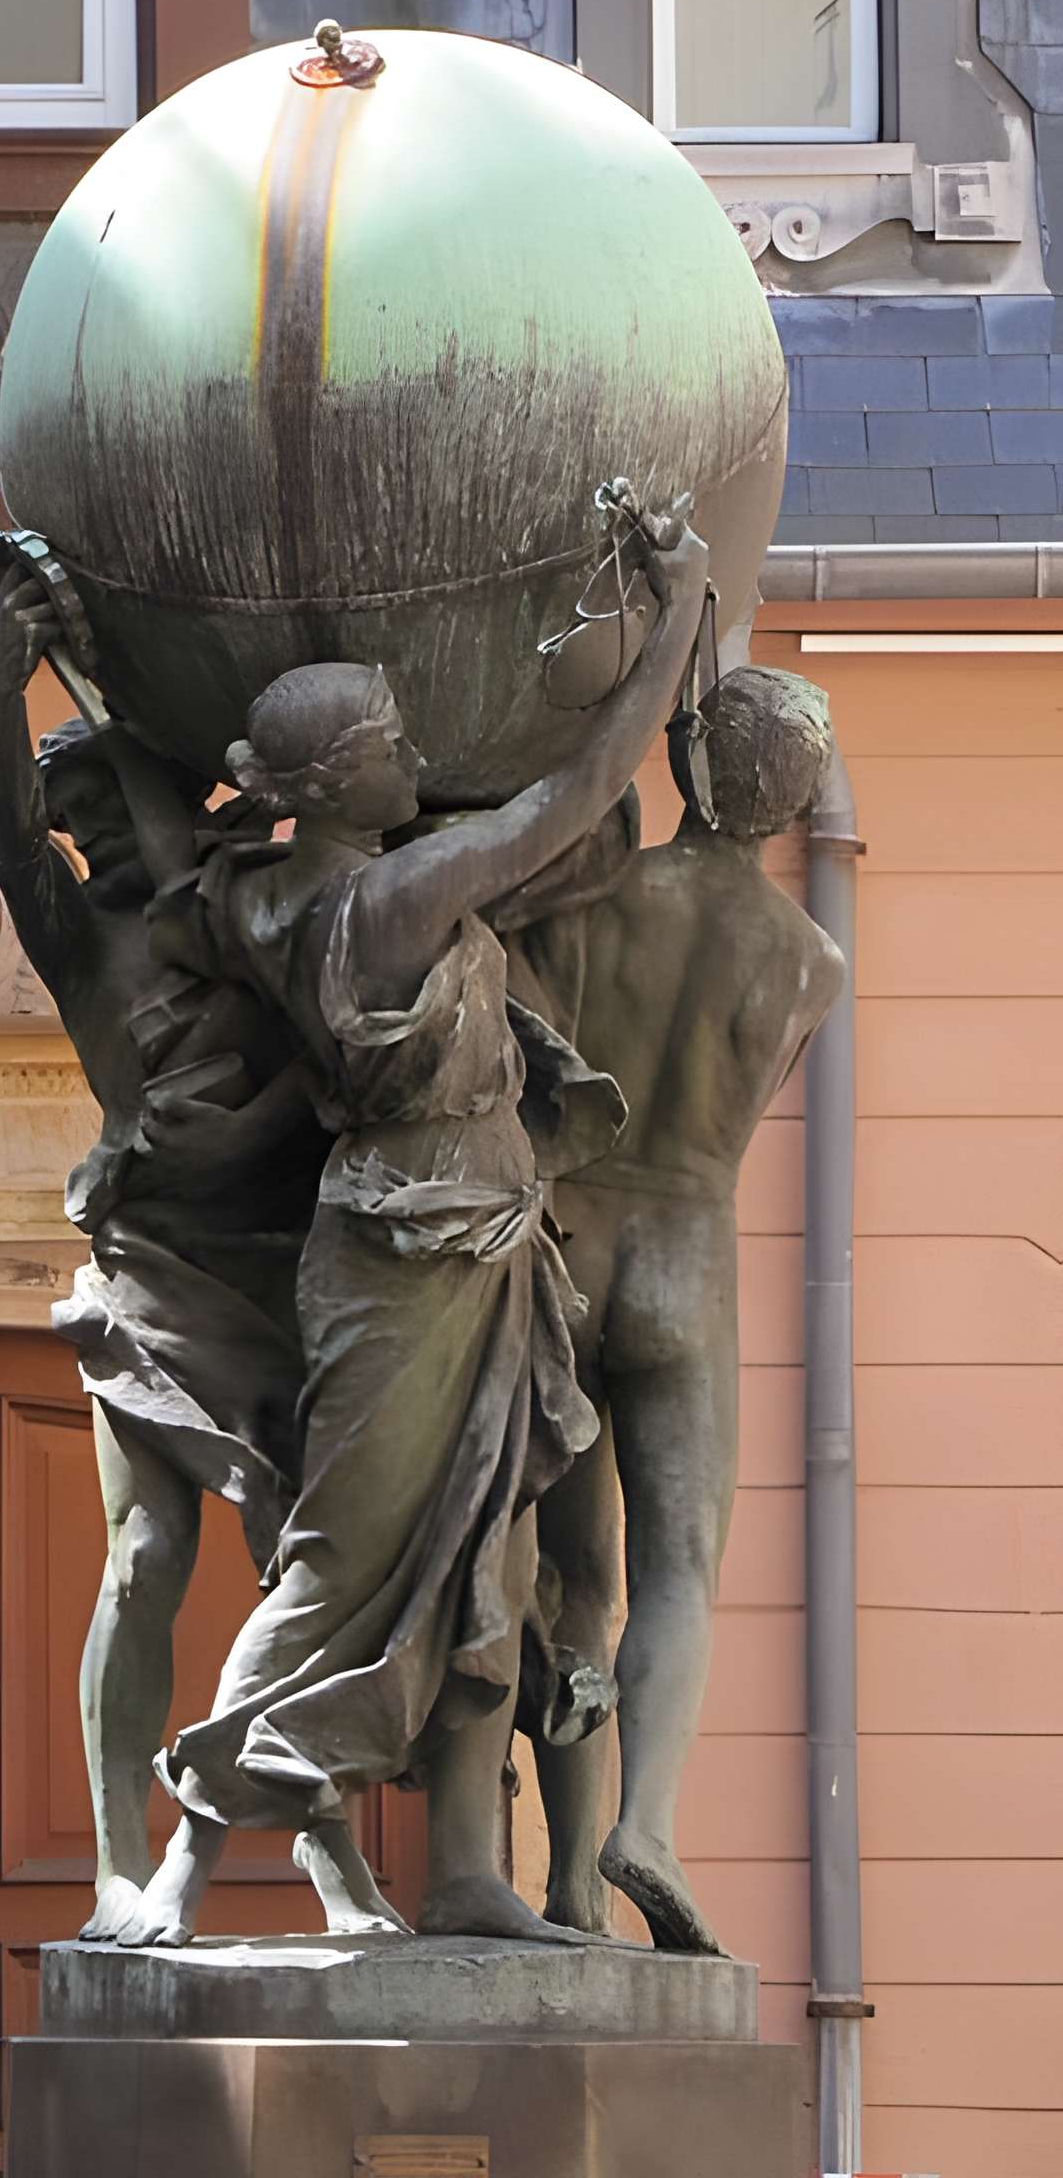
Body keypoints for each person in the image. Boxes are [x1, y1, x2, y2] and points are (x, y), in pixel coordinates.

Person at [111, 516, 709, 1949]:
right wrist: (677, 605)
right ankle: (188, 1860)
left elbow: (163, 827)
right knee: (345, 1562)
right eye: (388, 740)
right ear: (333, 788)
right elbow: (567, 798)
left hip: (476, 1237)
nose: (411, 751)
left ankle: (459, 1873)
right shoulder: (384, 898)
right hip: (407, 1251)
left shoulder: (268, 888)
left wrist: (80, 666)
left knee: (486, 1558)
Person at [0, 572, 348, 1940]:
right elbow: (2, 828)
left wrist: (83, 667)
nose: (86, 835)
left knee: (318, 1567)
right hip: (151, 1270)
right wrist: (5, 673)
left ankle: (330, 1852)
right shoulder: (85, 939)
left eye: (106, 808)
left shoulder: (241, 909)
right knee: (143, 1560)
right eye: (73, 821)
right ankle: (112, 1862)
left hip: (292, 1263)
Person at [529, 664, 844, 1953]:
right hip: (686, 1249)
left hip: (568, 1235)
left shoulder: (601, 905)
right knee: (680, 1566)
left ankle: (559, 1883)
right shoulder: (808, 960)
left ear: (690, 766)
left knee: (569, 1578)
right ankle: (647, 1824)